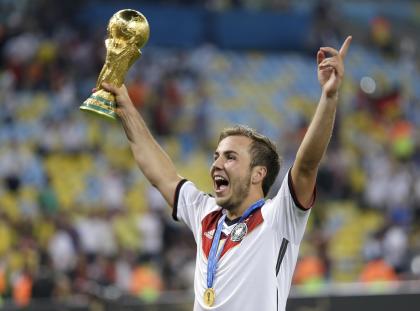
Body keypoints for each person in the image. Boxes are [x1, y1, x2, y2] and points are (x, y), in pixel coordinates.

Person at [100, 36, 352, 311]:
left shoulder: (278, 218)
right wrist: (125, 108)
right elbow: (163, 176)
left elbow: (305, 166)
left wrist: (328, 96)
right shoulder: (205, 213)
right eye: (216, 156)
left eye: (230, 157)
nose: (216, 165)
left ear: (258, 174)